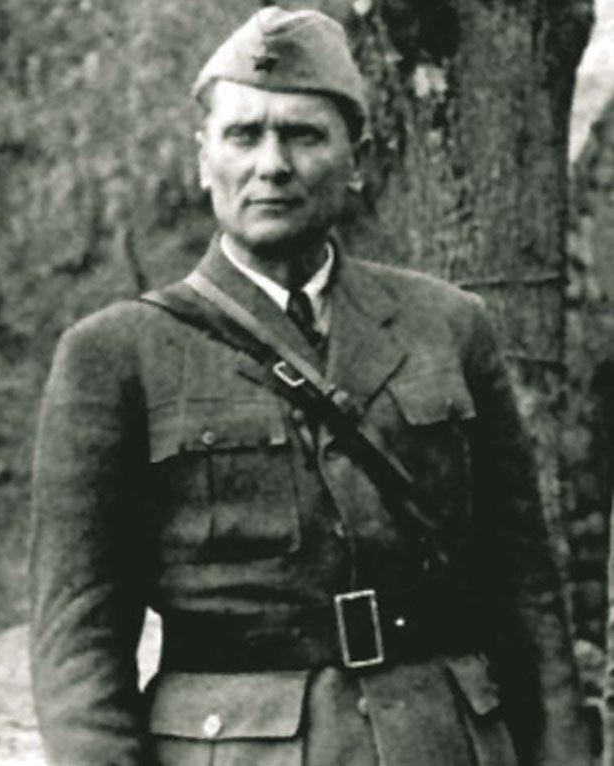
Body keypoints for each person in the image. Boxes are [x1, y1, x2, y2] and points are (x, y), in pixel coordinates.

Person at [30, 6, 589, 766]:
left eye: (303, 136)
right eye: (243, 135)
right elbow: (79, 644)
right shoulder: (118, 354)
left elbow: (524, 591)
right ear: (203, 159)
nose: (272, 164)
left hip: (443, 741)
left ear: (357, 160)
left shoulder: (450, 327)